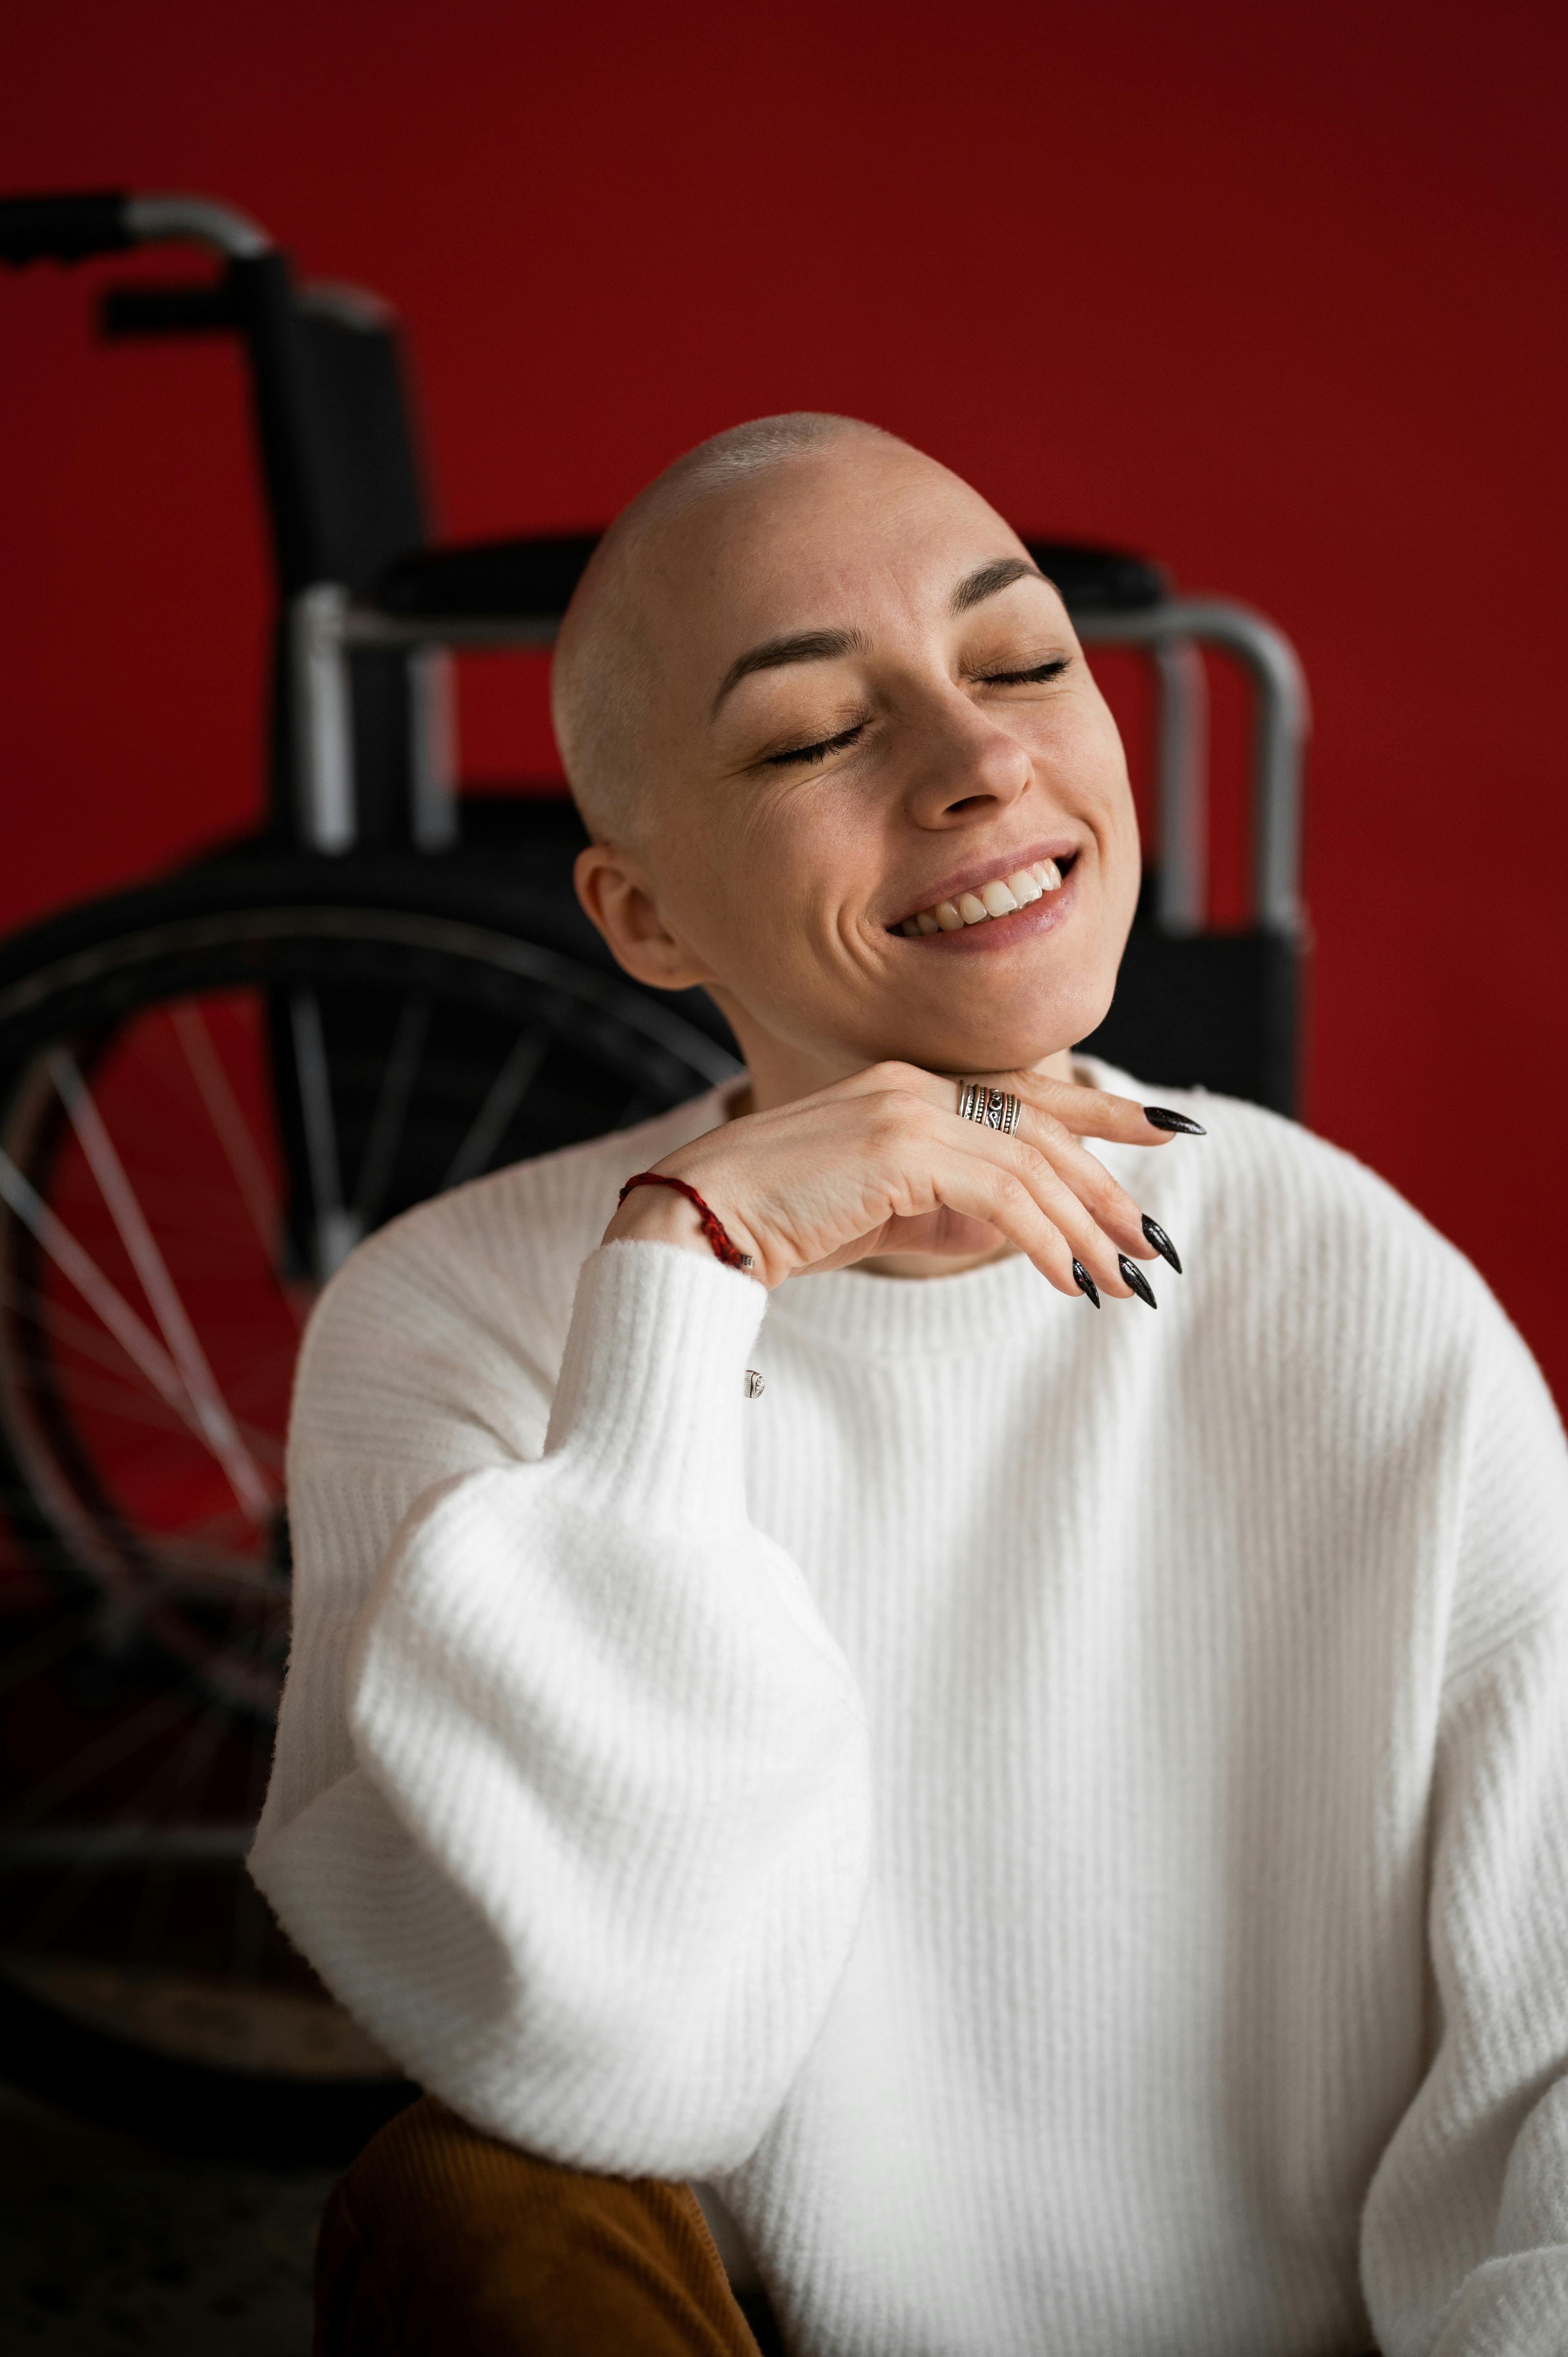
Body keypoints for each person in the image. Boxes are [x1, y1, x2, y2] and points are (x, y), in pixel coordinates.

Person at [249, 414, 1568, 2357]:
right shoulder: (451, 1318)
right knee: (468, 2212)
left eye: (1023, 661)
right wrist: (682, 1292)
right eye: (807, 736)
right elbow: (617, 2062)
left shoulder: (1336, 1270)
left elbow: (1551, 2046)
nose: (982, 764)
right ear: (642, 917)